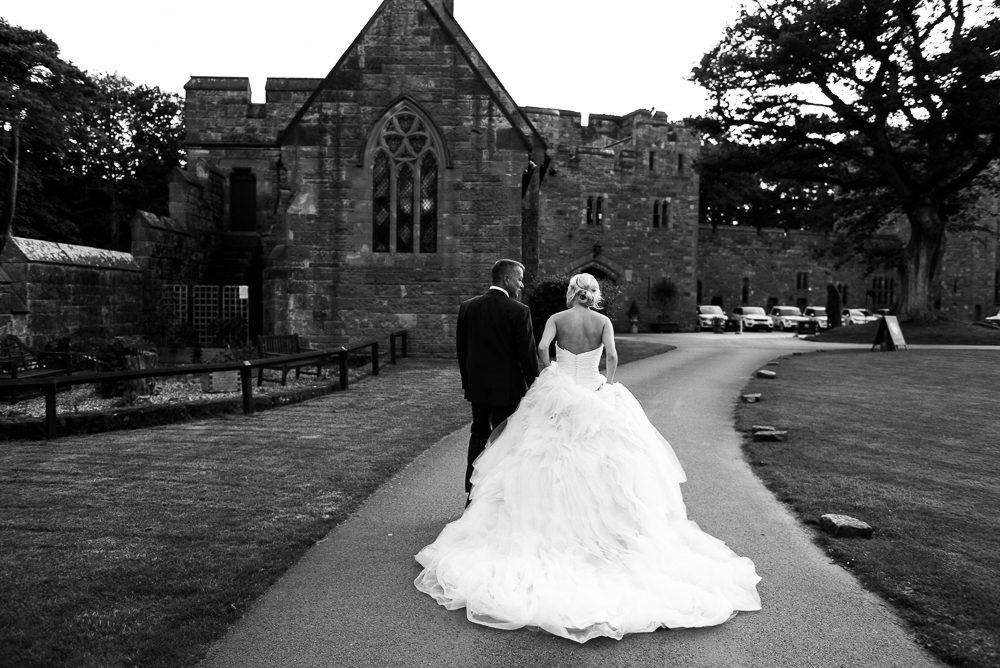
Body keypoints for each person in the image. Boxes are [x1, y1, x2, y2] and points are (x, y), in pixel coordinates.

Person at [415, 273, 761, 643]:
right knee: (609, 466)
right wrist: (607, 384)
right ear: (593, 295)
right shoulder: (603, 322)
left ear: (570, 293)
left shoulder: (556, 320)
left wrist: (552, 374)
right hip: (594, 393)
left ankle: (541, 528)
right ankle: (608, 535)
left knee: (540, 458)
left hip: (560, 393)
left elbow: (541, 348)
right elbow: (611, 355)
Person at [456, 259, 539, 504]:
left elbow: (462, 350)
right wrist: (536, 387)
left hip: (478, 387)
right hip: (508, 389)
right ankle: (495, 499)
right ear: (506, 279)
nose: (522, 285)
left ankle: (472, 494)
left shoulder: (467, 307)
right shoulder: (519, 311)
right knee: (504, 440)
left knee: (479, 434)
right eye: (519, 279)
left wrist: (469, 382)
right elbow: (527, 355)